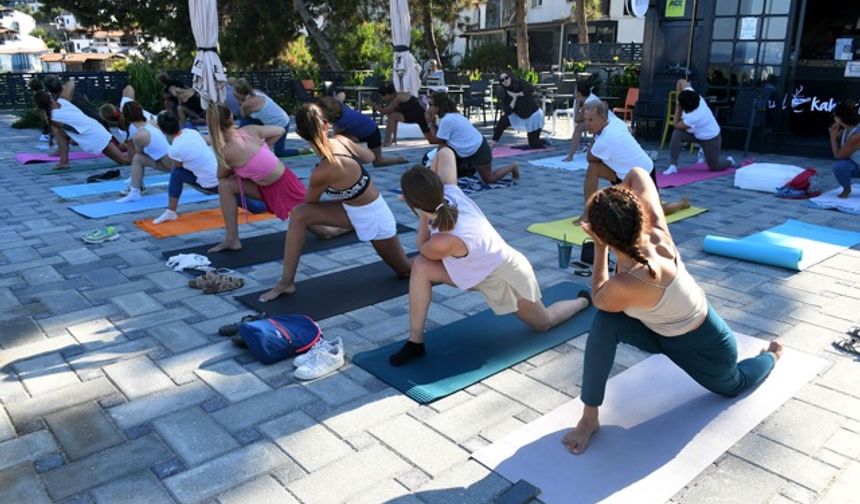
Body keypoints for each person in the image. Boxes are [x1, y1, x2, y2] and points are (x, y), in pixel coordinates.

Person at [561, 167, 782, 455]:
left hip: (706, 345)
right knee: (606, 322)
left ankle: (771, 356)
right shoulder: (652, 225)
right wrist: (620, 197)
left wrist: (599, 248)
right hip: (659, 333)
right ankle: (589, 417)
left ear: (602, 235)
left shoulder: (633, 279)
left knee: (734, 385)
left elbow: (600, 297)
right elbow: (638, 173)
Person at [388, 150, 591, 366]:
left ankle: (583, 301)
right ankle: (415, 341)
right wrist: (426, 187)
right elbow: (445, 152)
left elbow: (424, 248)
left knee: (543, 323)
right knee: (421, 267)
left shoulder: (444, 240)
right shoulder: (450, 193)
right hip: (473, 270)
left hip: (504, 275)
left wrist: (420, 213)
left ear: (416, 203)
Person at [257, 103, 412, 302]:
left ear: (299, 133)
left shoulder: (322, 171)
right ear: (326, 125)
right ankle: (286, 283)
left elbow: (310, 201)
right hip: (350, 210)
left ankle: (443, 258)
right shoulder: (341, 141)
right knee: (299, 214)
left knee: (405, 271)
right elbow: (370, 156)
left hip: (374, 218)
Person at [206, 104, 309, 253]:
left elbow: (220, 175)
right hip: (267, 187)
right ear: (231, 117)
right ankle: (232, 239)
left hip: (285, 186)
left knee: (325, 231)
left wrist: (260, 151)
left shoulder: (227, 151)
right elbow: (280, 130)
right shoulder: (250, 130)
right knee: (225, 185)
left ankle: (350, 224)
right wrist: (262, 148)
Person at [581, 100, 689, 219]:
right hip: (622, 175)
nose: (587, 124)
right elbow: (629, 130)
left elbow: (590, 156)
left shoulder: (604, 140)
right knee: (593, 167)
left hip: (643, 174)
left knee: (652, 214)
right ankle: (588, 213)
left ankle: (681, 203)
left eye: (591, 120)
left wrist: (595, 137)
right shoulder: (615, 122)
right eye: (585, 119)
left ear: (603, 119)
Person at [428, 92, 519, 183]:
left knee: (489, 179)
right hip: (470, 150)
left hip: (479, 151)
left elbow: (437, 139)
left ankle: (513, 167)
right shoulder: (451, 116)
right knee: (444, 147)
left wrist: (430, 123)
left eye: (431, 105)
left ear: (438, 106)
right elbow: (441, 138)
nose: (429, 108)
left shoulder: (447, 120)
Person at [32, 90, 129, 171]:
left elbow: (71, 128)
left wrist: (75, 138)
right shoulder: (63, 102)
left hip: (95, 136)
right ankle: (64, 162)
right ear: (51, 98)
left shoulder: (53, 117)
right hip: (96, 129)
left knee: (124, 161)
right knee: (60, 133)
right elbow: (70, 84)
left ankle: (139, 151)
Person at [151, 111, 219, 224]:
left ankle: (171, 211)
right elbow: (207, 141)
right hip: (220, 176)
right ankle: (170, 212)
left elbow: (179, 166)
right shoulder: (191, 132)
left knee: (177, 173)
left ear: (163, 131)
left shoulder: (174, 149)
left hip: (211, 184)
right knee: (255, 206)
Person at [665, 79, 735, 174]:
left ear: (686, 108)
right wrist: (679, 98)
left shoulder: (695, 117)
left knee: (715, 167)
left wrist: (678, 107)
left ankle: (730, 161)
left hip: (710, 138)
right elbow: (681, 81)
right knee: (677, 134)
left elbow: (675, 124)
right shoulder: (692, 95)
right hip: (695, 133)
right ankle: (673, 165)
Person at [317, 96, 407, 167]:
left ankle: (399, 159)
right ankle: (353, 159)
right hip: (359, 132)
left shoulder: (342, 121)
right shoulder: (339, 106)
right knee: (339, 140)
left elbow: (334, 138)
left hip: (372, 132)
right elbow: (341, 94)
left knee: (378, 162)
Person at [115, 101, 176, 203]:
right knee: (138, 159)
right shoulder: (153, 122)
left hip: (172, 165)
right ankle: (135, 189)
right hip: (174, 160)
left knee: (138, 158)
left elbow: (140, 153)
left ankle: (136, 189)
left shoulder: (139, 135)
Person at [231, 78, 301, 158]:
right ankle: (243, 142)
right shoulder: (255, 92)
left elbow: (243, 114)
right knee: (247, 121)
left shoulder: (246, 104)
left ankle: (303, 150)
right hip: (278, 118)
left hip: (282, 123)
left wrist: (239, 101)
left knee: (280, 153)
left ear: (239, 94)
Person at [493, 72, 548, 149]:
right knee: (503, 119)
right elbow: (508, 111)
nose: (505, 80)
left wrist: (518, 94)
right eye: (502, 80)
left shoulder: (519, 82)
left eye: (506, 77)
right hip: (520, 116)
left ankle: (544, 141)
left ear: (510, 77)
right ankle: (493, 141)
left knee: (534, 144)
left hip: (533, 115)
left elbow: (531, 88)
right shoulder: (504, 92)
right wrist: (514, 98)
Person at [377, 82, 437, 146]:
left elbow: (385, 111)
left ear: (387, 94)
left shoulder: (399, 97)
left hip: (421, 117)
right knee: (392, 116)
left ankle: (387, 141)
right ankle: (388, 140)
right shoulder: (394, 98)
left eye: (383, 97)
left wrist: (372, 104)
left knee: (432, 141)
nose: (383, 99)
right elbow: (393, 120)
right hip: (411, 116)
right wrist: (394, 138)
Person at [563, 82, 611, 162]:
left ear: (578, 93)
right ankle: (591, 151)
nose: (573, 92)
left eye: (575, 90)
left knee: (579, 128)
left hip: (607, 123)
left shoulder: (588, 104)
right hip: (606, 122)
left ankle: (570, 156)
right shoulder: (591, 98)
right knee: (590, 126)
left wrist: (577, 104)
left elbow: (577, 119)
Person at [829, 100, 860, 198]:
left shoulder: (856, 135)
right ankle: (847, 188)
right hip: (856, 164)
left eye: (834, 116)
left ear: (839, 118)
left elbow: (838, 156)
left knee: (839, 164)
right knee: (840, 166)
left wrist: (833, 138)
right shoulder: (847, 130)